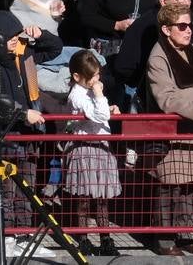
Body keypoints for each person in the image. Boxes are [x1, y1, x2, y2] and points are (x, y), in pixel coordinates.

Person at [143, 2, 193, 257]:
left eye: (190, 25)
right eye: (182, 26)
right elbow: (167, 99)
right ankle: (164, 240)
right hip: (175, 133)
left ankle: (185, 235)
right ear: (167, 29)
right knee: (169, 186)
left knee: (191, 185)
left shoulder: (191, 49)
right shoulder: (158, 56)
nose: (188, 31)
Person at [63, 50, 121, 258]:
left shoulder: (89, 91)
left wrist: (107, 105)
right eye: (92, 77)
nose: (97, 80)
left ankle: (105, 238)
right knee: (84, 198)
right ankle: (84, 239)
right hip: (85, 148)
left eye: (98, 75)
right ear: (77, 77)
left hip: (101, 146)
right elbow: (99, 113)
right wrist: (99, 94)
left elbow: (101, 112)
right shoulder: (77, 95)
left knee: (102, 196)